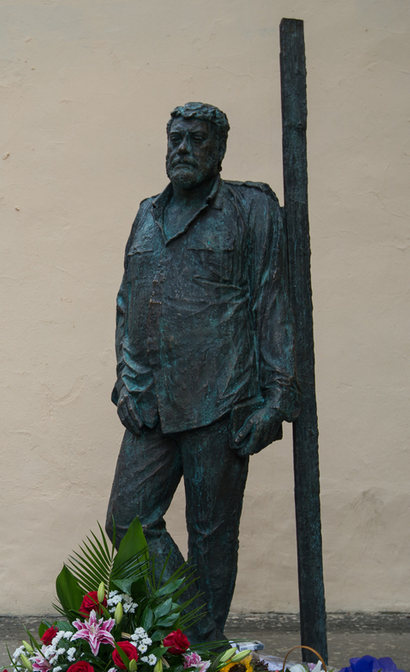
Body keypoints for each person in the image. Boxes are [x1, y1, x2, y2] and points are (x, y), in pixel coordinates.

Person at [106, 103, 297, 643]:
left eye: (195, 139)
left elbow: (273, 300)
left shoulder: (250, 209)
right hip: (150, 402)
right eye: (174, 138)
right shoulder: (146, 213)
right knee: (127, 523)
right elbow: (127, 303)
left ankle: (197, 662)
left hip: (222, 397)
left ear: (219, 150)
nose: (182, 148)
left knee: (211, 536)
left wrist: (277, 399)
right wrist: (125, 379)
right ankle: (199, 642)